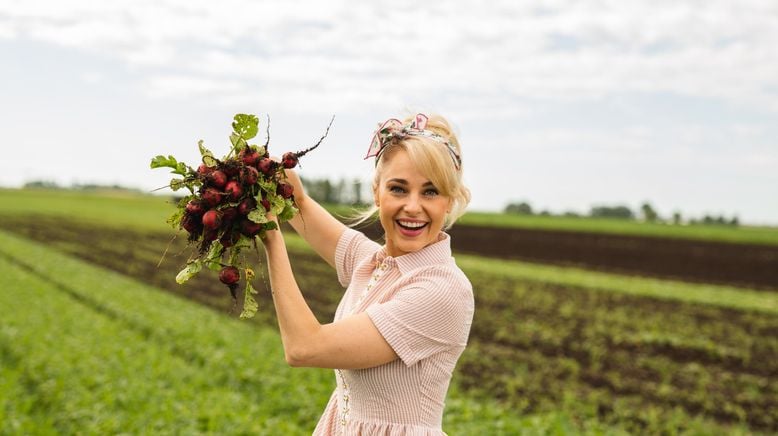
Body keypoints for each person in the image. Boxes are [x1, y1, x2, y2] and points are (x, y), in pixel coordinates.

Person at [261, 113, 474, 435]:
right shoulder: (378, 264)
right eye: (399, 189)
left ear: (450, 201)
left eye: (430, 192)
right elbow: (299, 204)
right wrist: (266, 177)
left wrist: (270, 235)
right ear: (377, 193)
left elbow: (304, 347)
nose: (413, 207)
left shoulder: (441, 290)